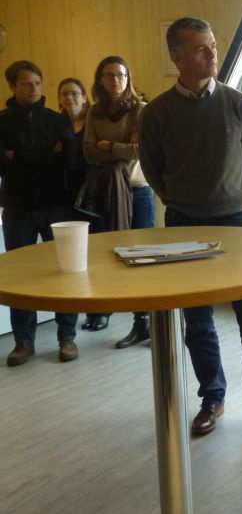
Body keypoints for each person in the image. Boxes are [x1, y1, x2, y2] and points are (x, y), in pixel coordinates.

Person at [139, 16, 242, 439]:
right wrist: (181, 200)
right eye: (200, 48)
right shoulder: (156, 113)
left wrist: (234, 199)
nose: (212, 53)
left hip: (236, 223)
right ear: (177, 57)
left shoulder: (237, 104)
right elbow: (153, 170)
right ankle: (212, 398)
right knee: (197, 321)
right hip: (183, 225)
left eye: (212, 45)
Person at [0, 61, 79, 365]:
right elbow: (2, 163)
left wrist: (16, 155)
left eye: (36, 83)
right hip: (18, 207)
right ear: (12, 87)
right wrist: (46, 155)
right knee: (20, 276)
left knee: (64, 270)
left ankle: (67, 337)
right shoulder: (2, 121)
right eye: (25, 84)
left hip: (57, 203)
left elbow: (67, 159)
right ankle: (23, 341)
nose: (33, 88)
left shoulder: (56, 120)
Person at [84, 56, 154, 348]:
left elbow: (141, 150)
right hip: (107, 191)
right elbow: (89, 151)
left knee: (142, 260)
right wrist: (123, 147)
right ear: (100, 80)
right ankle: (110, 309)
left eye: (121, 75)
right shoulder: (94, 112)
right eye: (110, 75)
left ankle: (144, 323)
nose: (116, 80)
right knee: (110, 256)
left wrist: (110, 146)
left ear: (129, 78)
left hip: (138, 191)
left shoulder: (141, 110)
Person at [57, 77, 110, 331]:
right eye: (64, 93)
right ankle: (87, 306)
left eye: (75, 93)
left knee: (97, 251)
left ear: (84, 97)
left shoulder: (93, 120)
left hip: (93, 193)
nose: (70, 98)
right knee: (77, 255)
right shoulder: (58, 124)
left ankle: (102, 309)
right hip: (67, 196)